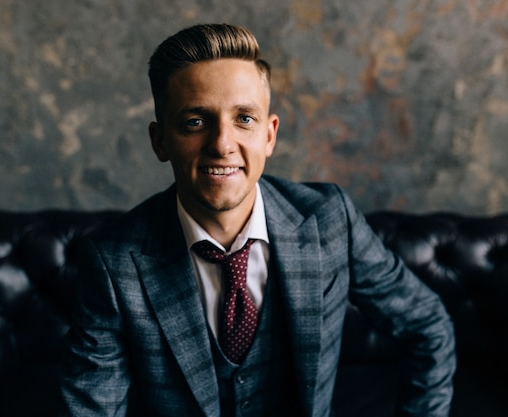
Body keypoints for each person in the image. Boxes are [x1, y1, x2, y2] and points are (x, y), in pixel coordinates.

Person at [59, 23, 456, 417]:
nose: (222, 144)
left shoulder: (329, 218)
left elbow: (428, 326)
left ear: (269, 135)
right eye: (195, 122)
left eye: (244, 119)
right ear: (160, 141)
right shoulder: (113, 261)